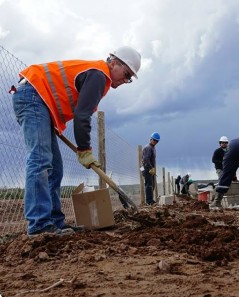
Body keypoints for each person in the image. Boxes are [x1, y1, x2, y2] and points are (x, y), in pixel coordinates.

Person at [10, 46, 142, 236]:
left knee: (55, 168)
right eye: (126, 73)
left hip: (40, 102)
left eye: (129, 78)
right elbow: (82, 116)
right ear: (114, 63)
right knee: (40, 160)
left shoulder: (100, 77)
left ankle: (55, 222)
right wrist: (85, 150)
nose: (125, 80)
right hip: (33, 95)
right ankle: (39, 225)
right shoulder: (98, 75)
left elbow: (80, 111)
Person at [142, 132, 160, 205]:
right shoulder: (148, 148)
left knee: (152, 185)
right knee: (149, 185)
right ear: (151, 139)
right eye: (154, 140)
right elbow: (146, 159)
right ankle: (149, 201)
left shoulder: (153, 148)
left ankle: (150, 200)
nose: (155, 142)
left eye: (156, 141)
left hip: (150, 169)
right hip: (147, 169)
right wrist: (151, 168)